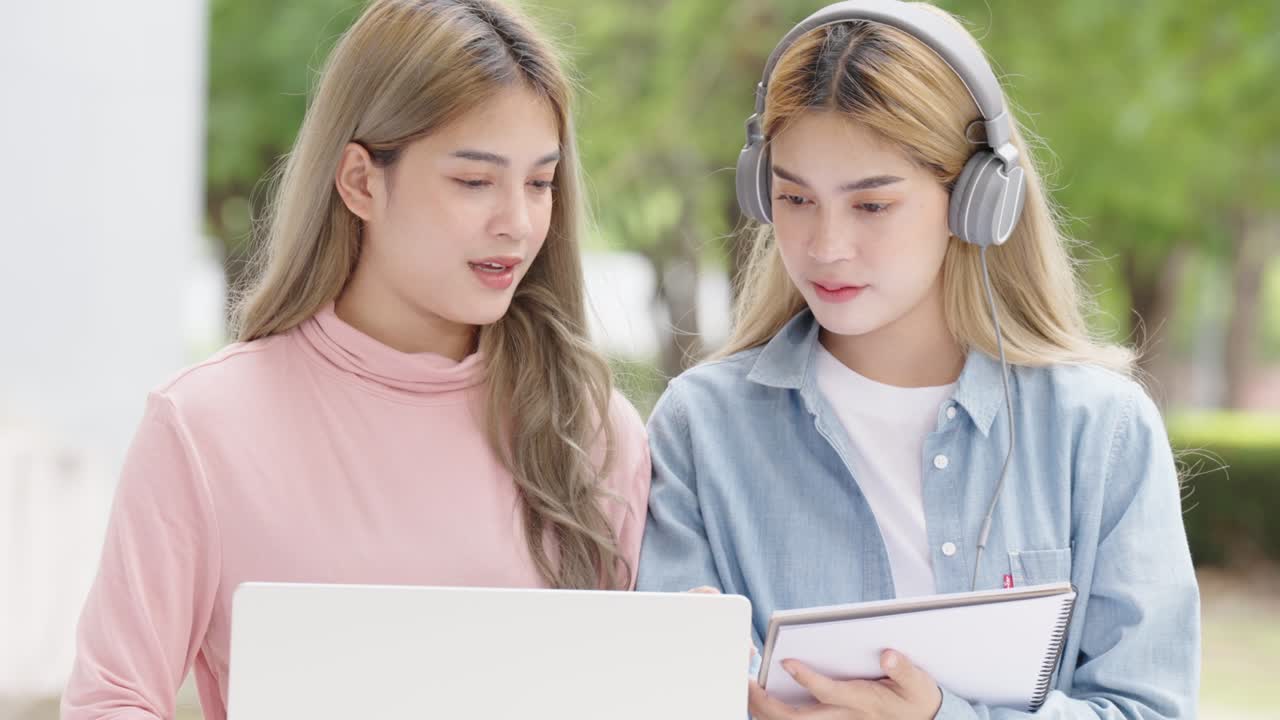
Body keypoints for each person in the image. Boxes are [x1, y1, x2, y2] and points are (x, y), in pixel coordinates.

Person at [62, 2, 650, 718]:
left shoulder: (592, 430)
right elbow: (111, 698)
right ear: (361, 182)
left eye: (539, 182)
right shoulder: (203, 429)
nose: (518, 223)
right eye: (474, 181)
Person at [636, 2, 1199, 718]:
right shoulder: (699, 428)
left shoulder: (1101, 432)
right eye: (795, 197)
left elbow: (1149, 709)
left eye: (872, 205)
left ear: (975, 200)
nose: (825, 244)